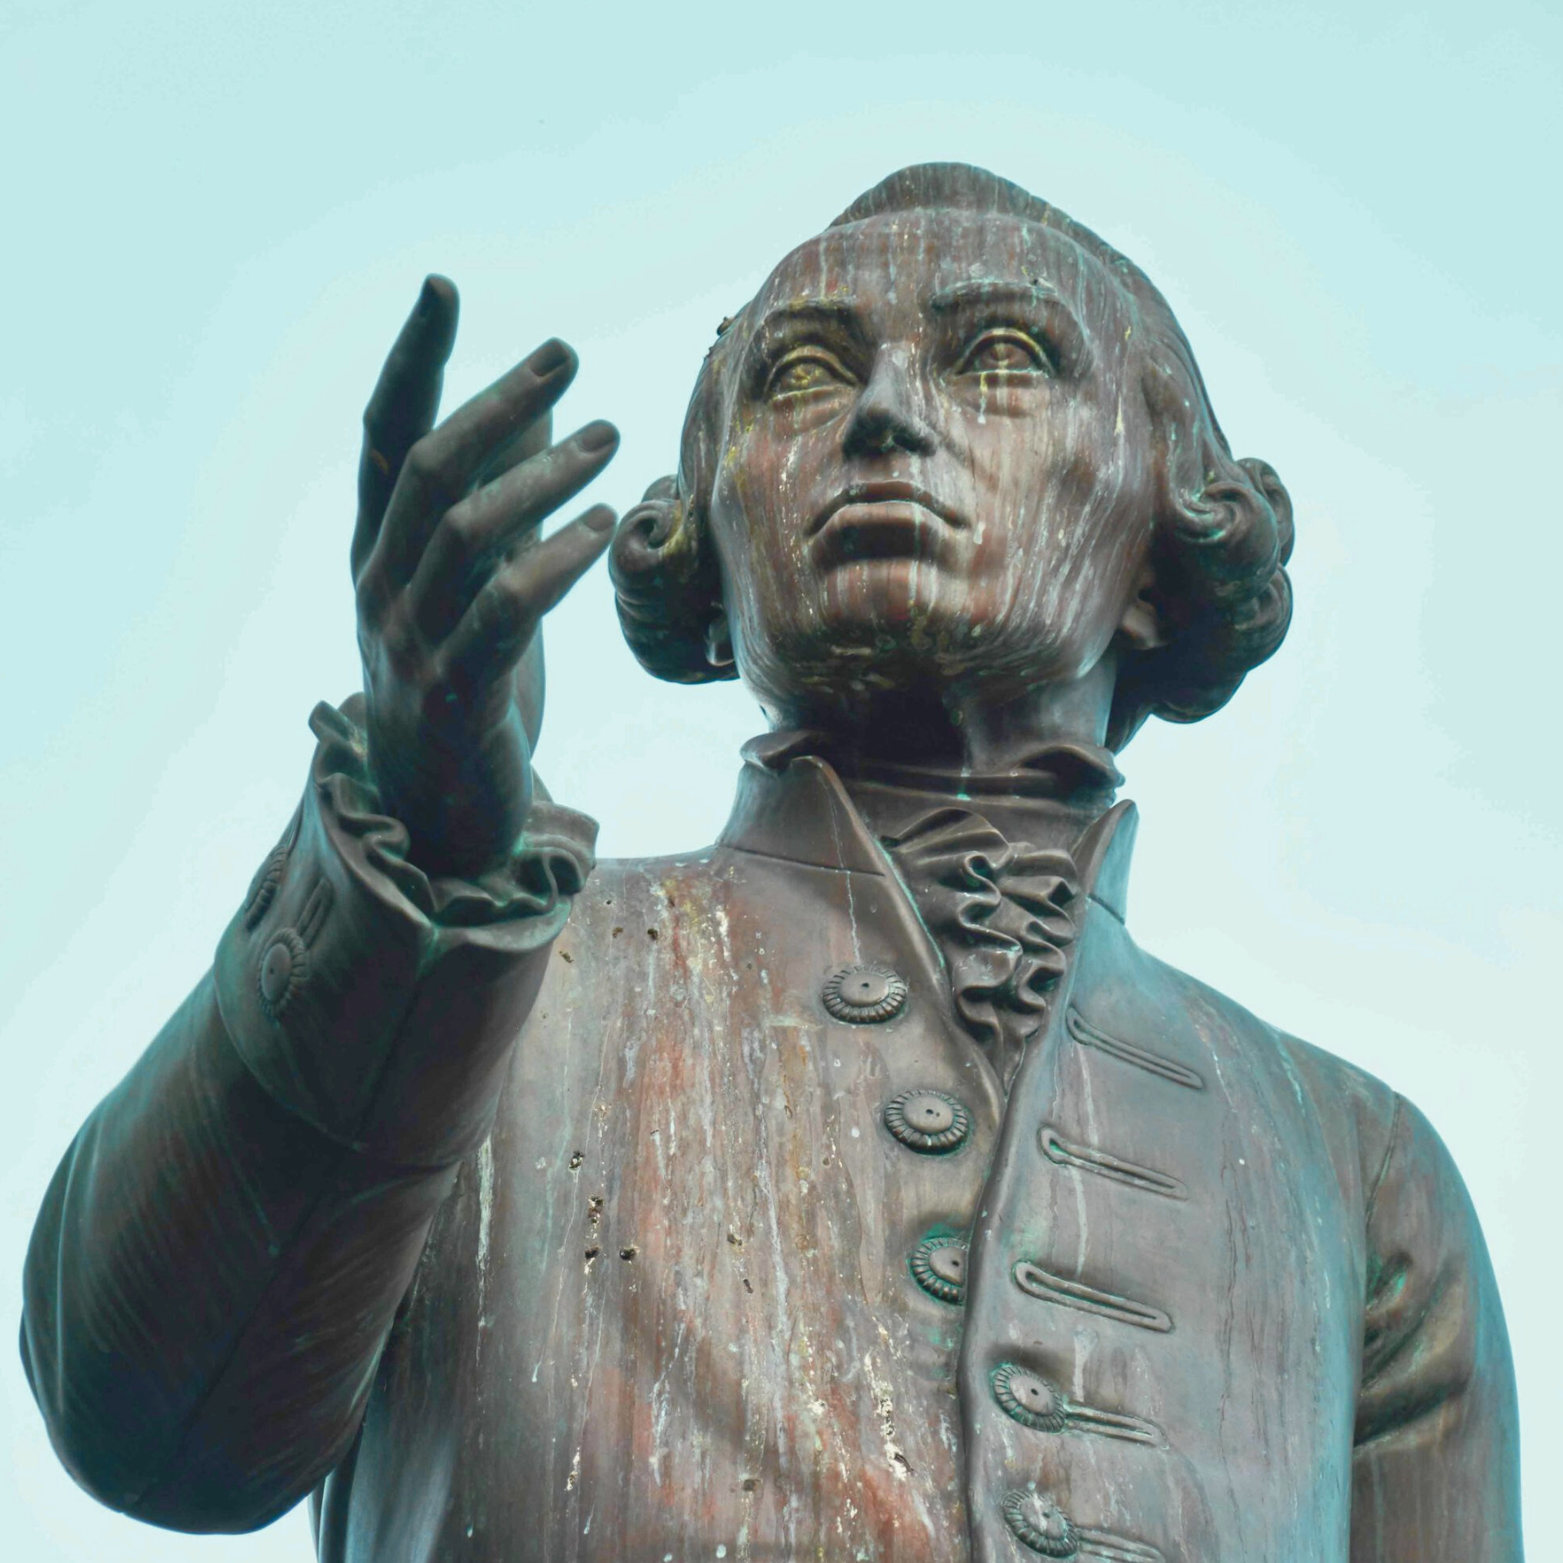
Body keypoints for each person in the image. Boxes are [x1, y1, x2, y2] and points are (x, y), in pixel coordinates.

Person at [21, 163, 1522, 1562]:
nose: (880, 414)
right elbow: (158, 1424)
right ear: (713, 568)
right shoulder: (485, 996)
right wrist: (412, 861)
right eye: (802, 373)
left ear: (1165, 535)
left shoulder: (1349, 1168)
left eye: (998, 355)